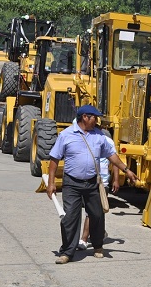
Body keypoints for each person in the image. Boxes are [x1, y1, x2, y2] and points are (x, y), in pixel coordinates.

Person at [46, 105, 137, 264]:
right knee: (70, 218)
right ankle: (67, 252)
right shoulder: (66, 135)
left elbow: (112, 155)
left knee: (97, 215)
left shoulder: (99, 135)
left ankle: (97, 246)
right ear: (85, 117)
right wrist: (51, 183)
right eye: (94, 117)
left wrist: (127, 170)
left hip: (92, 183)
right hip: (72, 183)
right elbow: (54, 160)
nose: (97, 120)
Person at [78, 131, 117, 250]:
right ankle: (101, 232)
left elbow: (115, 161)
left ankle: (84, 239)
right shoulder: (85, 140)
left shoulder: (108, 142)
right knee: (95, 212)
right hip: (88, 181)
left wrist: (116, 179)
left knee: (92, 212)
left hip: (101, 183)